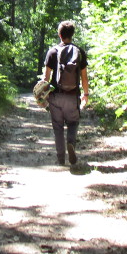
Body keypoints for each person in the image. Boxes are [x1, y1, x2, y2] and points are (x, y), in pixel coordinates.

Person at [42, 20, 90, 166]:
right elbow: (84, 76)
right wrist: (85, 94)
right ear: (72, 35)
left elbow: (46, 78)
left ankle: (61, 158)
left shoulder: (52, 52)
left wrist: (43, 97)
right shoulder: (79, 52)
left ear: (59, 34)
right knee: (73, 123)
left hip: (55, 96)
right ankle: (71, 144)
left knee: (57, 127)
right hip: (72, 95)